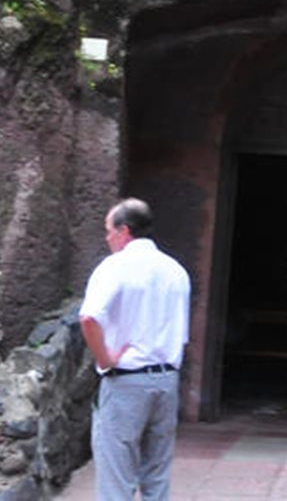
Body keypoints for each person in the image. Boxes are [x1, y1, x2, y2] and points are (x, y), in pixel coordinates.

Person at [80, 198, 192, 500]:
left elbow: (89, 318)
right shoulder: (176, 270)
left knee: (117, 477)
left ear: (124, 231)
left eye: (109, 231)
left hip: (126, 379)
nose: (107, 238)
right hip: (167, 380)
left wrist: (105, 359)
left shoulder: (115, 267)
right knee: (156, 476)